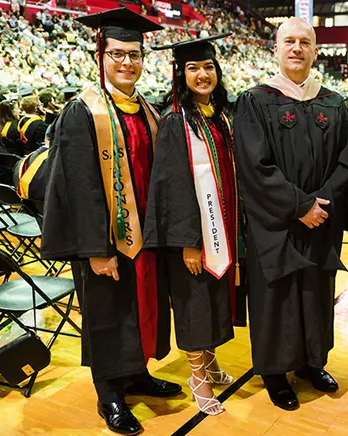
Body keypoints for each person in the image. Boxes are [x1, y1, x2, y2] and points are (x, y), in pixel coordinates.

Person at [41, 9, 179, 436]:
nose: (126, 63)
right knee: (107, 314)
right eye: (117, 54)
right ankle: (109, 394)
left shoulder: (148, 113)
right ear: (100, 56)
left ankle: (136, 372)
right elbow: (77, 187)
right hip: (105, 242)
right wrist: (96, 250)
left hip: (144, 237)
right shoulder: (83, 113)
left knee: (142, 309)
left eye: (134, 55)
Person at [233, 17, 348, 411]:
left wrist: (321, 204)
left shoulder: (333, 102)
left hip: (322, 219)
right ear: (276, 49)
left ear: (315, 51)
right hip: (277, 223)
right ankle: (274, 371)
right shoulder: (255, 101)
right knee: (277, 297)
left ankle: (310, 363)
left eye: (305, 42)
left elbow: (346, 161)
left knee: (315, 293)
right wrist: (300, 206)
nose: (297, 48)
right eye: (289, 42)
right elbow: (254, 167)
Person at [144, 35, 243, 416]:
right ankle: (197, 378)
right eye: (193, 68)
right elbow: (171, 186)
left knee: (216, 303)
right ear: (180, 74)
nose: (203, 75)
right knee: (194, 307)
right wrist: (188, 242)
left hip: (221, 232)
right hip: (193, 238)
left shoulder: (218, 118)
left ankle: (211, 362)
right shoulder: (175, 122)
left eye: (208, 67)